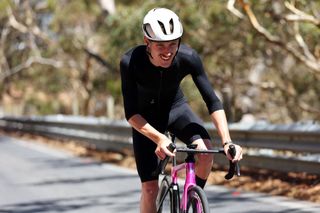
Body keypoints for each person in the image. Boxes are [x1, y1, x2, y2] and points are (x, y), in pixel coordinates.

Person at [120, 8, 243, 213]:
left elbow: (212, 101)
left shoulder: (188, 57)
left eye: (173, 44)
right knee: (150, 189)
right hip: (146, 120)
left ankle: (193, 200)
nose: (167, 51)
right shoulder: (130, 62)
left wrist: (227, 141)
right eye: (160, 45)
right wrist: (159, 138)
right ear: (147, 42)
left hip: (176, 109)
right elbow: (131, 113)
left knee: (205, 152)